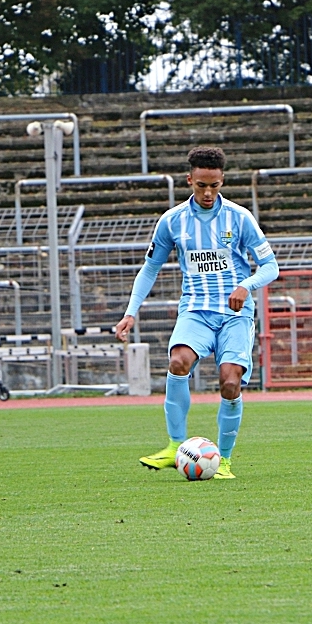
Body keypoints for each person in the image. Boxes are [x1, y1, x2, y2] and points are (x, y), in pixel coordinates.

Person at [115, 146, 279, 480]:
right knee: (178, 362)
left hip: (235, 314)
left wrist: (246, 285)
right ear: (189, 179)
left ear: (222, 181)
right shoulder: (172, 221)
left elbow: (271, 266)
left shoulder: (240, 217)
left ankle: (225, 461)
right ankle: (175, 445)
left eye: (214, 186)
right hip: (196, 310)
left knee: (230, 382)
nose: (207, 192)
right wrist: (131, 312)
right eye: (201, 185)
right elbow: (149, 269)